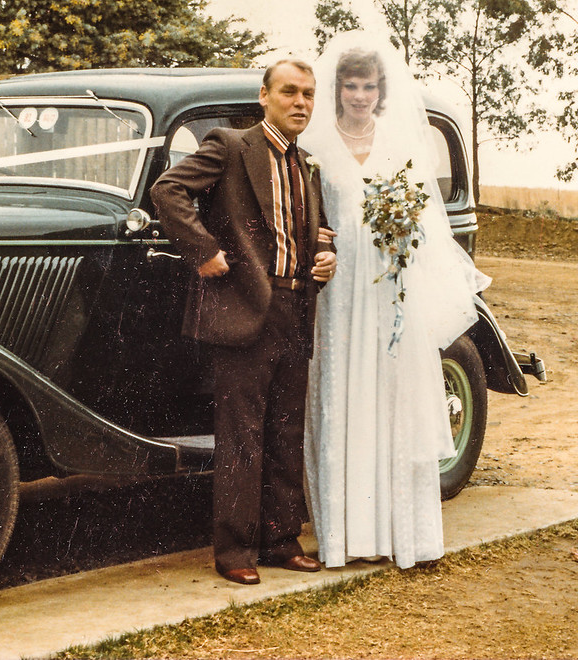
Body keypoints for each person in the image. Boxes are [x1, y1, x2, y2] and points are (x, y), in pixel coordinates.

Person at [300, 32, 490, 569]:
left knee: (390, 396)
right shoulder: (316, 148)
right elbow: (307, 216)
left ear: (380, 91)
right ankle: (343, 537)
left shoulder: (400, 143)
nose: (359, 95)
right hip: (337, 290)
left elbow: (427, 221)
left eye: (368, 86)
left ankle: (398, 532)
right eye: (349, 85)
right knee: (341, 392)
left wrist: (406, 235)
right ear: (336, 90)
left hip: (389, 289)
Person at [150, 59, 337, 585]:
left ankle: (281, 542)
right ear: (264, 95)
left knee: (286, 431)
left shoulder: (308, 165)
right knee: (242, 436)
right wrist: (204, 251)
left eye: (308, 95)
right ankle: (235, 553)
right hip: (243, 312)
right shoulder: (231, 146)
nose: (300, 103)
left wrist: (327, 254)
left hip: (297, 309)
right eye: (289, 92)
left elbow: (317, 227)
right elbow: (168, 191)